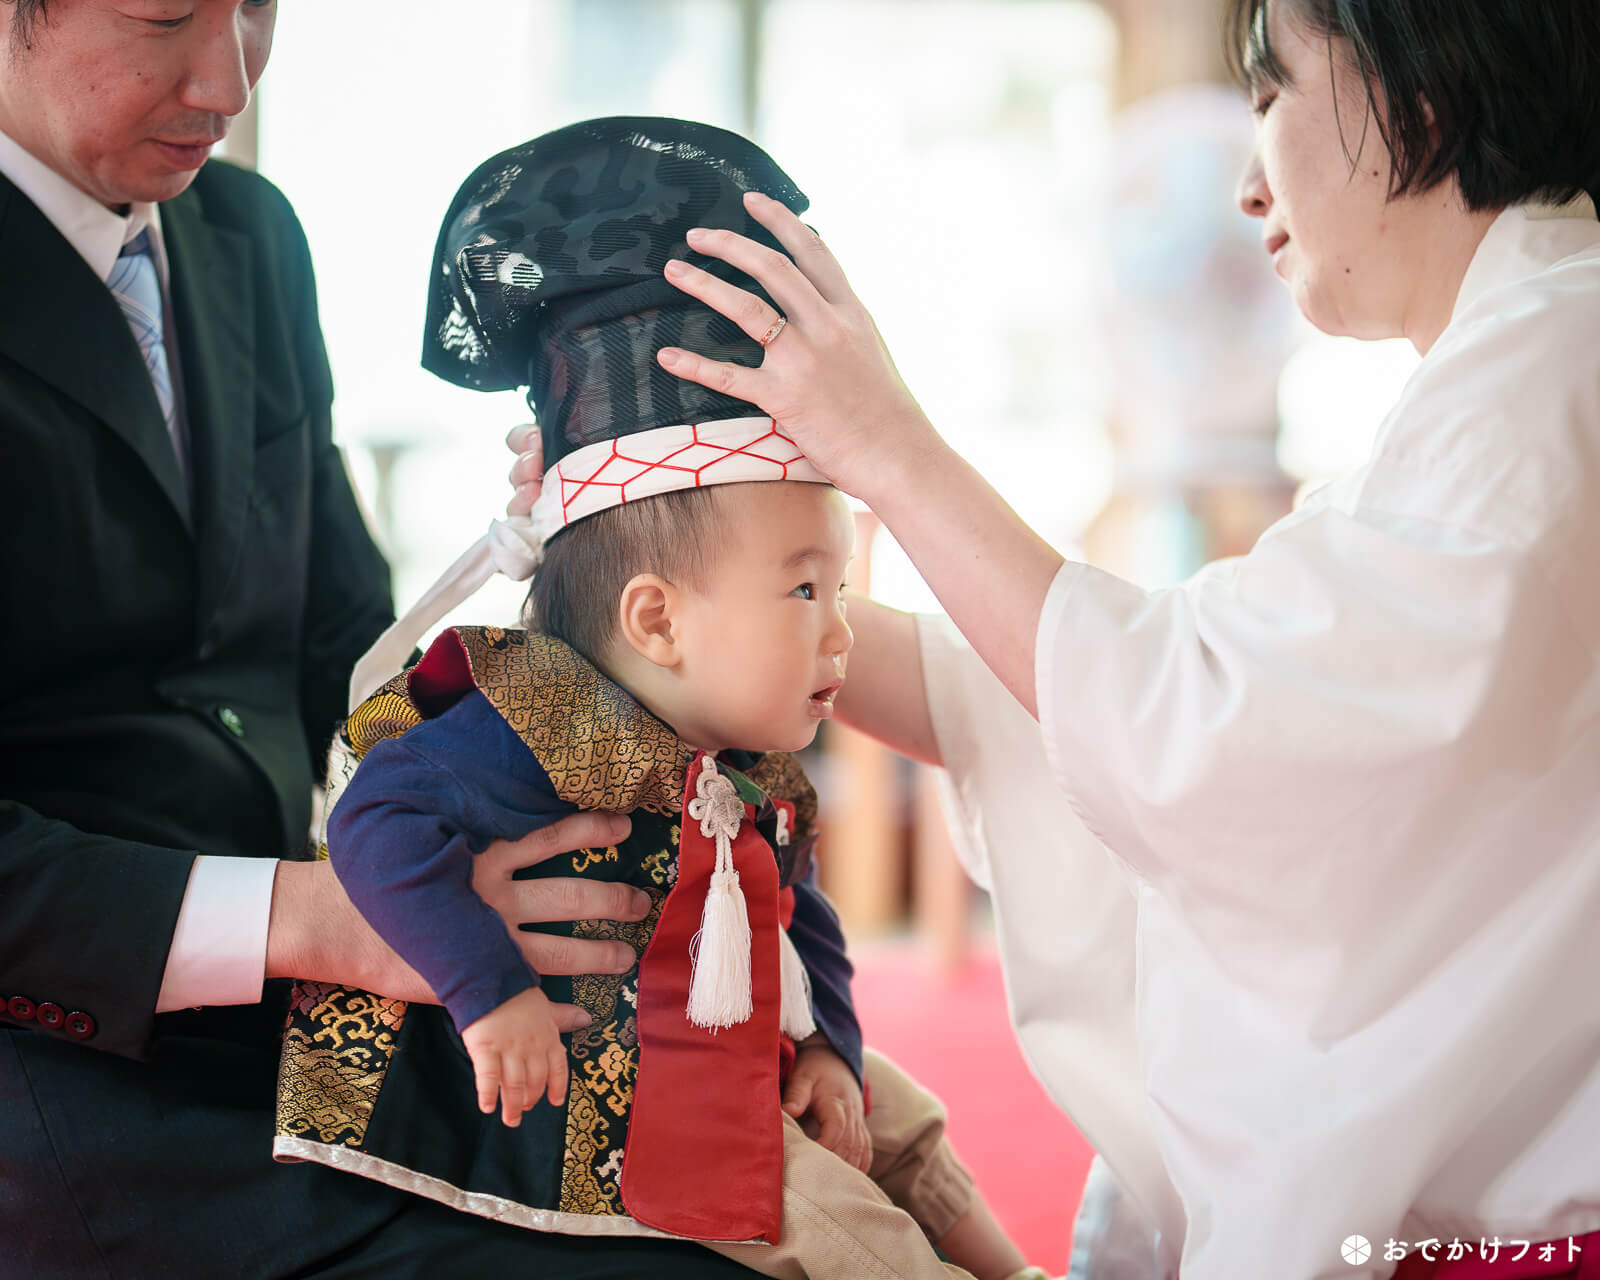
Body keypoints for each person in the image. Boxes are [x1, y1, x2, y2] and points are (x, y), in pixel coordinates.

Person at [634, 1, 1600, 1277]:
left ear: (1412, 91)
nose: (1249, 185)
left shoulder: (1547, 361)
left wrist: (886, 443)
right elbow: (1104, 697)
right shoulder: (1527, 347)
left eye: (1270, 94)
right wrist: (691, 581)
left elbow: (1200, 724)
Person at [0, 5, 766, 1276]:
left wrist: (578, 545)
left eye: (259, 9)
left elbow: (346, 654)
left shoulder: (246, 239)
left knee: (758, 1170)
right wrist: (315, 918)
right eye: (163, 13)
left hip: (345, 992)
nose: (228, 77)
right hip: (69, 1060)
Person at [281, 116, 1043, 1280]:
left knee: (897, 1109)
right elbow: (375, 826)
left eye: (839, 585)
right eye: (803, 588)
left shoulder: (741, 760)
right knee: (837, 1216)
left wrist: (829, 1043)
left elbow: (801, 914)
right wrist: (491, 998)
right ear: (654, 620)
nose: (840, 629)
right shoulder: (524, 723)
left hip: (717, 1035)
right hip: (600, 1076)